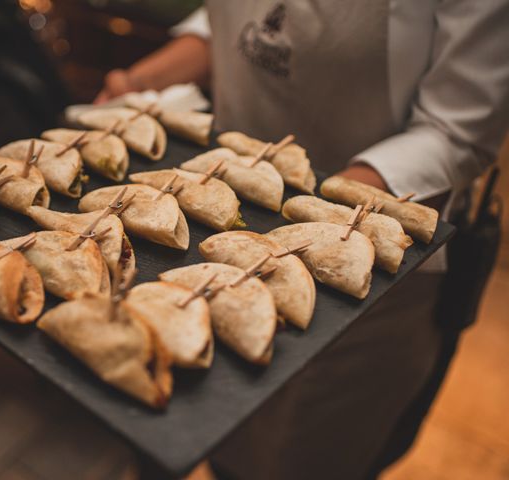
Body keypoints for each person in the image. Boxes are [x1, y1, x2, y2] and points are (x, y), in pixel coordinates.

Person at [95, 3, 509, 479]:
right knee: (196, 424)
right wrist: (143, 83)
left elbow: (457, 126)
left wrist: (321, 214)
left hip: (360, 275)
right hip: (215, 208)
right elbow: (237, 21)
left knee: (298, 456)